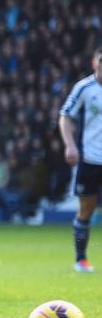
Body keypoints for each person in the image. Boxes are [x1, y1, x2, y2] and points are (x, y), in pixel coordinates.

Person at [58, 46, 102, 274]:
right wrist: (70, 145)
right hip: (91, 159)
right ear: (95, 63)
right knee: (87, 209)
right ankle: (81, 259)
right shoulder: (85, 88)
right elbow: (65, 115)